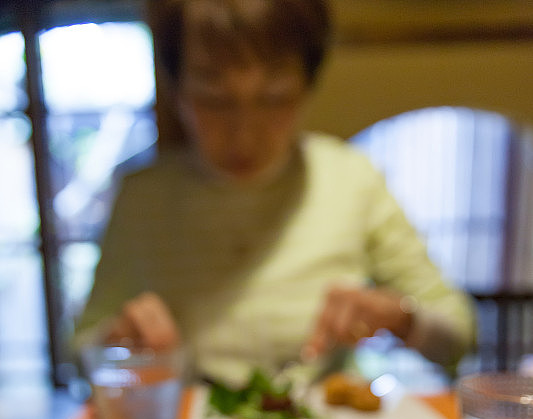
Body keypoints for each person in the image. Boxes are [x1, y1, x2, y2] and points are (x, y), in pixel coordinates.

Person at [74, 0, 476, 385]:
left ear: (309, 85)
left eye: (274, 97)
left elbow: (459, 333)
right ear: (176, 89)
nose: (244, 133)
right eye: (214, 99)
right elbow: (79, 349)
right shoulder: (142, 196)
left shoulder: (351, 178)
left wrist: (401, 317)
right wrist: (117, 341)